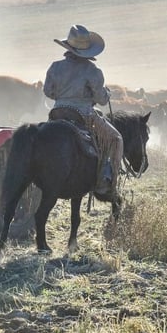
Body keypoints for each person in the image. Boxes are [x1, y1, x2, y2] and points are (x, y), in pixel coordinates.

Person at [43, 24, 124, 202]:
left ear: (68, 47)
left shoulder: (55, 67)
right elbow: (102, 100)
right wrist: (107, 93)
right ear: (87, 51)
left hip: (56, 113)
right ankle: (105, 183)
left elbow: (48, 92)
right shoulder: (93, 71)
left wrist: (63, 96)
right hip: (84, 114)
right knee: (116, 139)